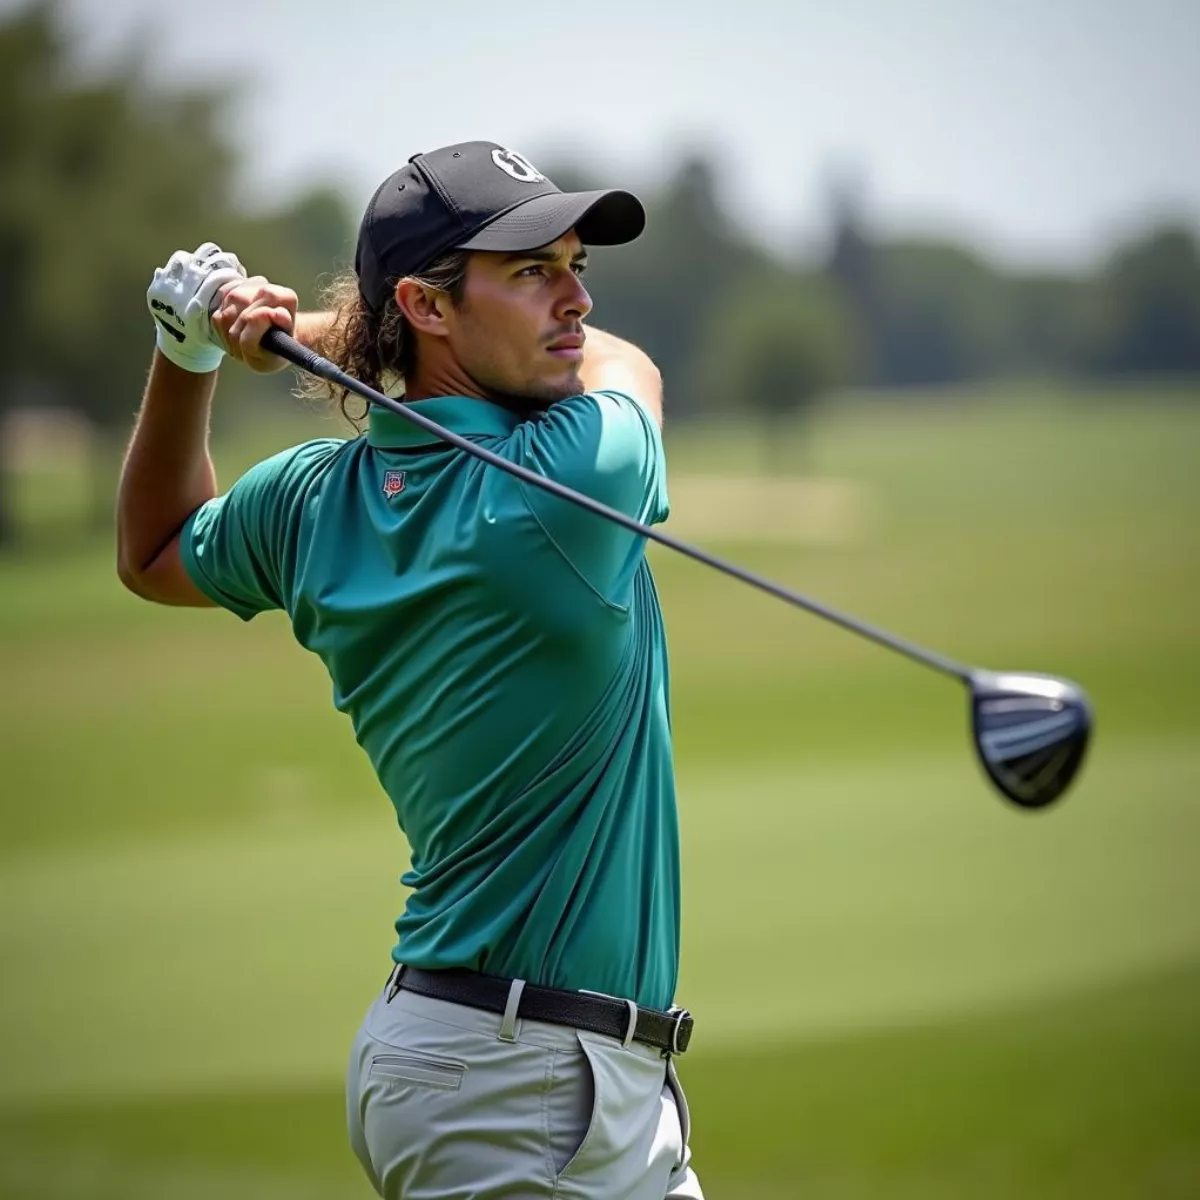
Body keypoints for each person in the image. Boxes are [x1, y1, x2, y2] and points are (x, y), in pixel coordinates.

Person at [117, 141, 701, 1199]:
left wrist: (190, 353)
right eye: (532, 272)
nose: (574, 300)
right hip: (513, 1089)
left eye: (578, 265)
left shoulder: (304, 499)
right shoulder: (565, 473)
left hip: (524, 1071)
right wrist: (313, 335)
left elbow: (154, 551)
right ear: (427, 309)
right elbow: (633, 368)